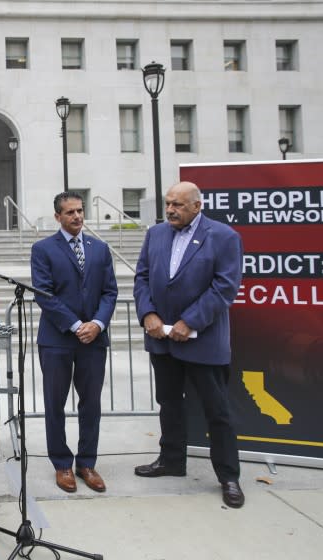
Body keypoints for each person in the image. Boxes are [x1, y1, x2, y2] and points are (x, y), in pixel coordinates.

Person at [133, 181, 245, 508]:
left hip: (202, 341)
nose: (170, 210)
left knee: (217, 411)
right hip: (161, 339)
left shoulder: (223, 237)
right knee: (169, 403)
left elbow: (225, 287)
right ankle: (171, 460)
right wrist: (148, 314)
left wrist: (190, 322)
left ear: (197, 206)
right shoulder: (156, 234)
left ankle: (228, 477)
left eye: (178, 205)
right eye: (168, 203)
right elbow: (141, 277)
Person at [30, 192, 118, 493]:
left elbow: (110, 292)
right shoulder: (43, 249)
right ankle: (62, 464)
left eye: (80, 211)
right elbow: (44, 293)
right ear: (58, 217)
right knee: (55, 404)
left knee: (90, 403)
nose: (77, 217)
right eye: (70, 212)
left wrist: (97, 324)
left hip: (94, 341)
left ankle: (87, 463)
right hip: (57, 340)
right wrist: (77, 325)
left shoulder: (100, 248)